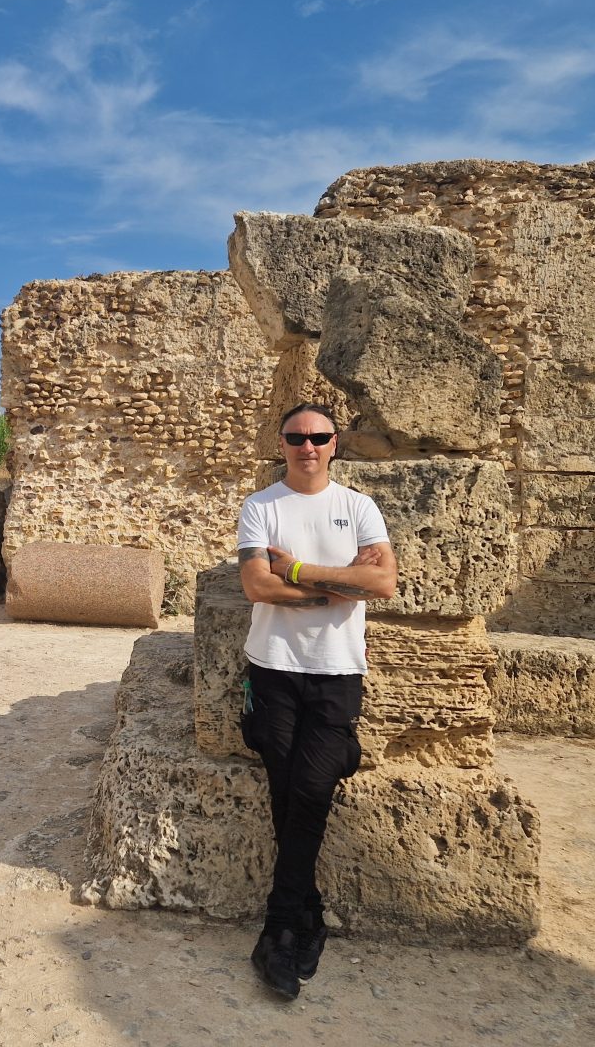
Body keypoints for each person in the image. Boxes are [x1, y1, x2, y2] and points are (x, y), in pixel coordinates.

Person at [236, 403, 397, 1000]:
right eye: (297, 437)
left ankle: (280, 924)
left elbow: (383, 583)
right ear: (282, 443)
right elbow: (256, 585)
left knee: (308, 789)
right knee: (288, 790)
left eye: (319, 437)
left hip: (336, 672)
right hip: (272, 669)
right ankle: (304, 916)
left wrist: (299, 570)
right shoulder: (261, 506)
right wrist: (337, 586)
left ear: (334, 444)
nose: (308, 446)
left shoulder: (359, 507)